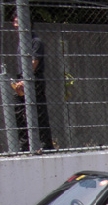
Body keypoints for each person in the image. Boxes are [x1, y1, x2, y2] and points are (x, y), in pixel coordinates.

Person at [11, 13, 54, 152]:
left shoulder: (35, 42)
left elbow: (34, 62)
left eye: (17, 22)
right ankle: (25, 146)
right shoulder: (22, 42)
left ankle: (46, 145)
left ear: (27, 23)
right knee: (19, 111)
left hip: (34, 80)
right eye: (14, 22)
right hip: (22, 80)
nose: (15, 25)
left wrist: (25, 80)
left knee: (39, 112)